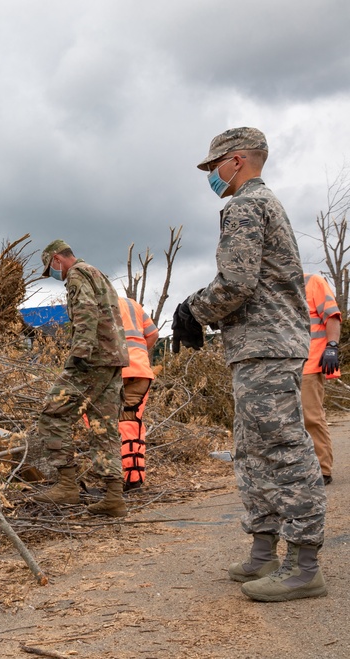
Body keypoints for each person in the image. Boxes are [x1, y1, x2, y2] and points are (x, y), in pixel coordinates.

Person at [174, 127, 327, 602]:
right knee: (254, 451)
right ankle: (263, 552)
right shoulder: (264, 204)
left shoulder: (245, 206)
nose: (211, 176)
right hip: (258, 345)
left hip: (266, 345)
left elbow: (236, 281)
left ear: (235, 160)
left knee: (282, 449)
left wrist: (191, 309)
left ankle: (304, 565)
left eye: (213, 166)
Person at [30, 240, 129, 517]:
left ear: (56, 259)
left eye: (50, 268)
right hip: (113, 359)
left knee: (53, 415)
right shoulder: (98, 273)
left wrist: (80, 352)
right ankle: (113, 498)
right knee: (103, 426)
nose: (53, 273)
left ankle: (66, 487)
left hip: (91, 358)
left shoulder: (76, 274)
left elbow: (86, 310)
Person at [302, 273, 341, 485]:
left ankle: (322, 469)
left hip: (309, 361)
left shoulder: (312, 281)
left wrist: (332, 347)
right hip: (280, 364)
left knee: (311, 416)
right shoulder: (269, 283)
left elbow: (332, 315)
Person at [118, 296, 158, 491]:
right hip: (139, 371)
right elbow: (153, 334)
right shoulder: (133, 304)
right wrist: (139, 355)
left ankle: (127, 479)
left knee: (111, 423)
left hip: (114, 370)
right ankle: (133, 478)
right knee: (132, 425)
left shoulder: (97, 303)